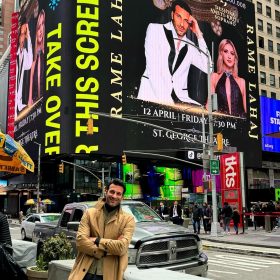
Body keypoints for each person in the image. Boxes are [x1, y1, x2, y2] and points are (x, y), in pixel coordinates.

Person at [137, 0, 208, 105]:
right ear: (172, 15)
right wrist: (170, 105)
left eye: (186, 20)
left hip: (180, 100)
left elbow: (208, 68)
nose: (182, 24)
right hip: (151, 95)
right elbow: (154, 71)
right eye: (179, 16)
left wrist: (199, 34)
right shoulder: (155, 30)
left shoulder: (190, 46)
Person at [68, 179, 136, 280]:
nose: (114, 196)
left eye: (118, 194)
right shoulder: (89, 213)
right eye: (112, 192)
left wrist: (96, 240)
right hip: (85, 272)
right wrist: (104, 251)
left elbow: (122, 248)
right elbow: (81, 241)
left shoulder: (128, 219)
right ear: (106, 191)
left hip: (109, 275)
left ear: (122, 197)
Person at [211, 39, 246, 117]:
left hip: (240, 125)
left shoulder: (241, 82)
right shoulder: (214, 77)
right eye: (226, 51)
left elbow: (247, 111)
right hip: (220, 124)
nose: (229, 56)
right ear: (221, 54)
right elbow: (210, 106)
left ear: (235, 57)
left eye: (232, 53)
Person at [15, 21, 33, 116]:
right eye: (22, 33)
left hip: (19, 104)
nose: (23, 36)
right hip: (12, 102)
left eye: (24, 34)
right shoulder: (14, 55)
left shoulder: (25, 54)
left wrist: (29, 36)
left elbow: (29, 64)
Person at [28, 9, 45, 106]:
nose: (41, 32)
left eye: (42, 27)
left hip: (44, 96)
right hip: (35, 99)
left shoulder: (44, 52)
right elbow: (31, 79)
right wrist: (30, 99)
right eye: (39, 27)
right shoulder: (34, 54)